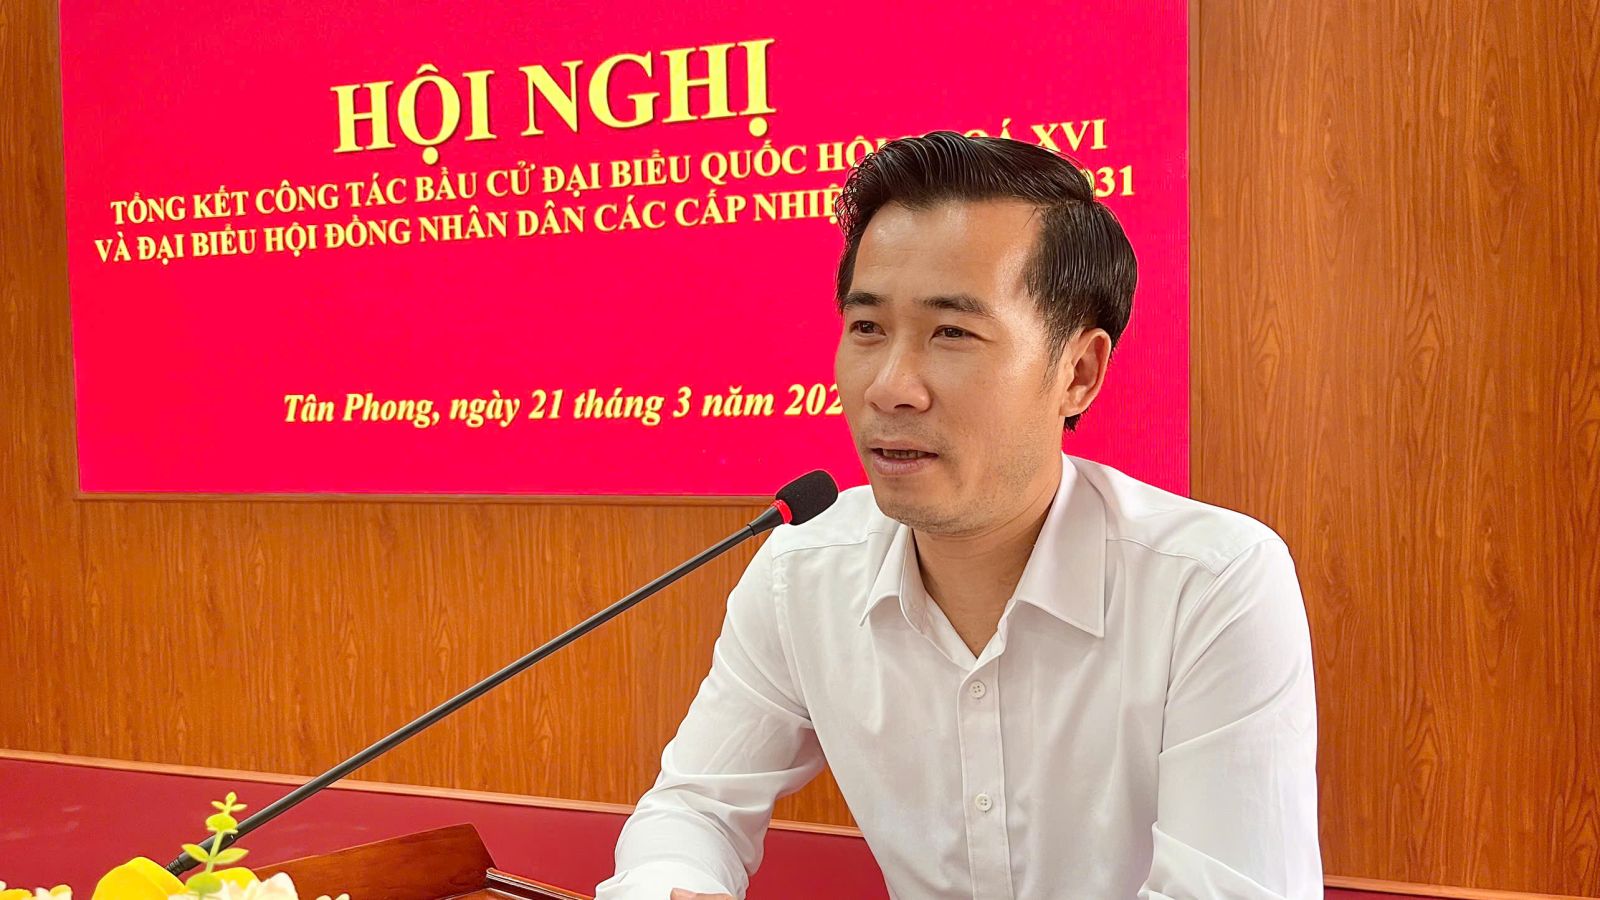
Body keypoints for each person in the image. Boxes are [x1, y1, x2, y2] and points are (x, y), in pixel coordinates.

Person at [595, 131, 1320, 899]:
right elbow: (694, 810)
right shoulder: (801, 569)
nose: (890, 387)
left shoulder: (1211, 583)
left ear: (1078, 373)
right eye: (867, 328)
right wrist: (672, 885)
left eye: (952, 333)